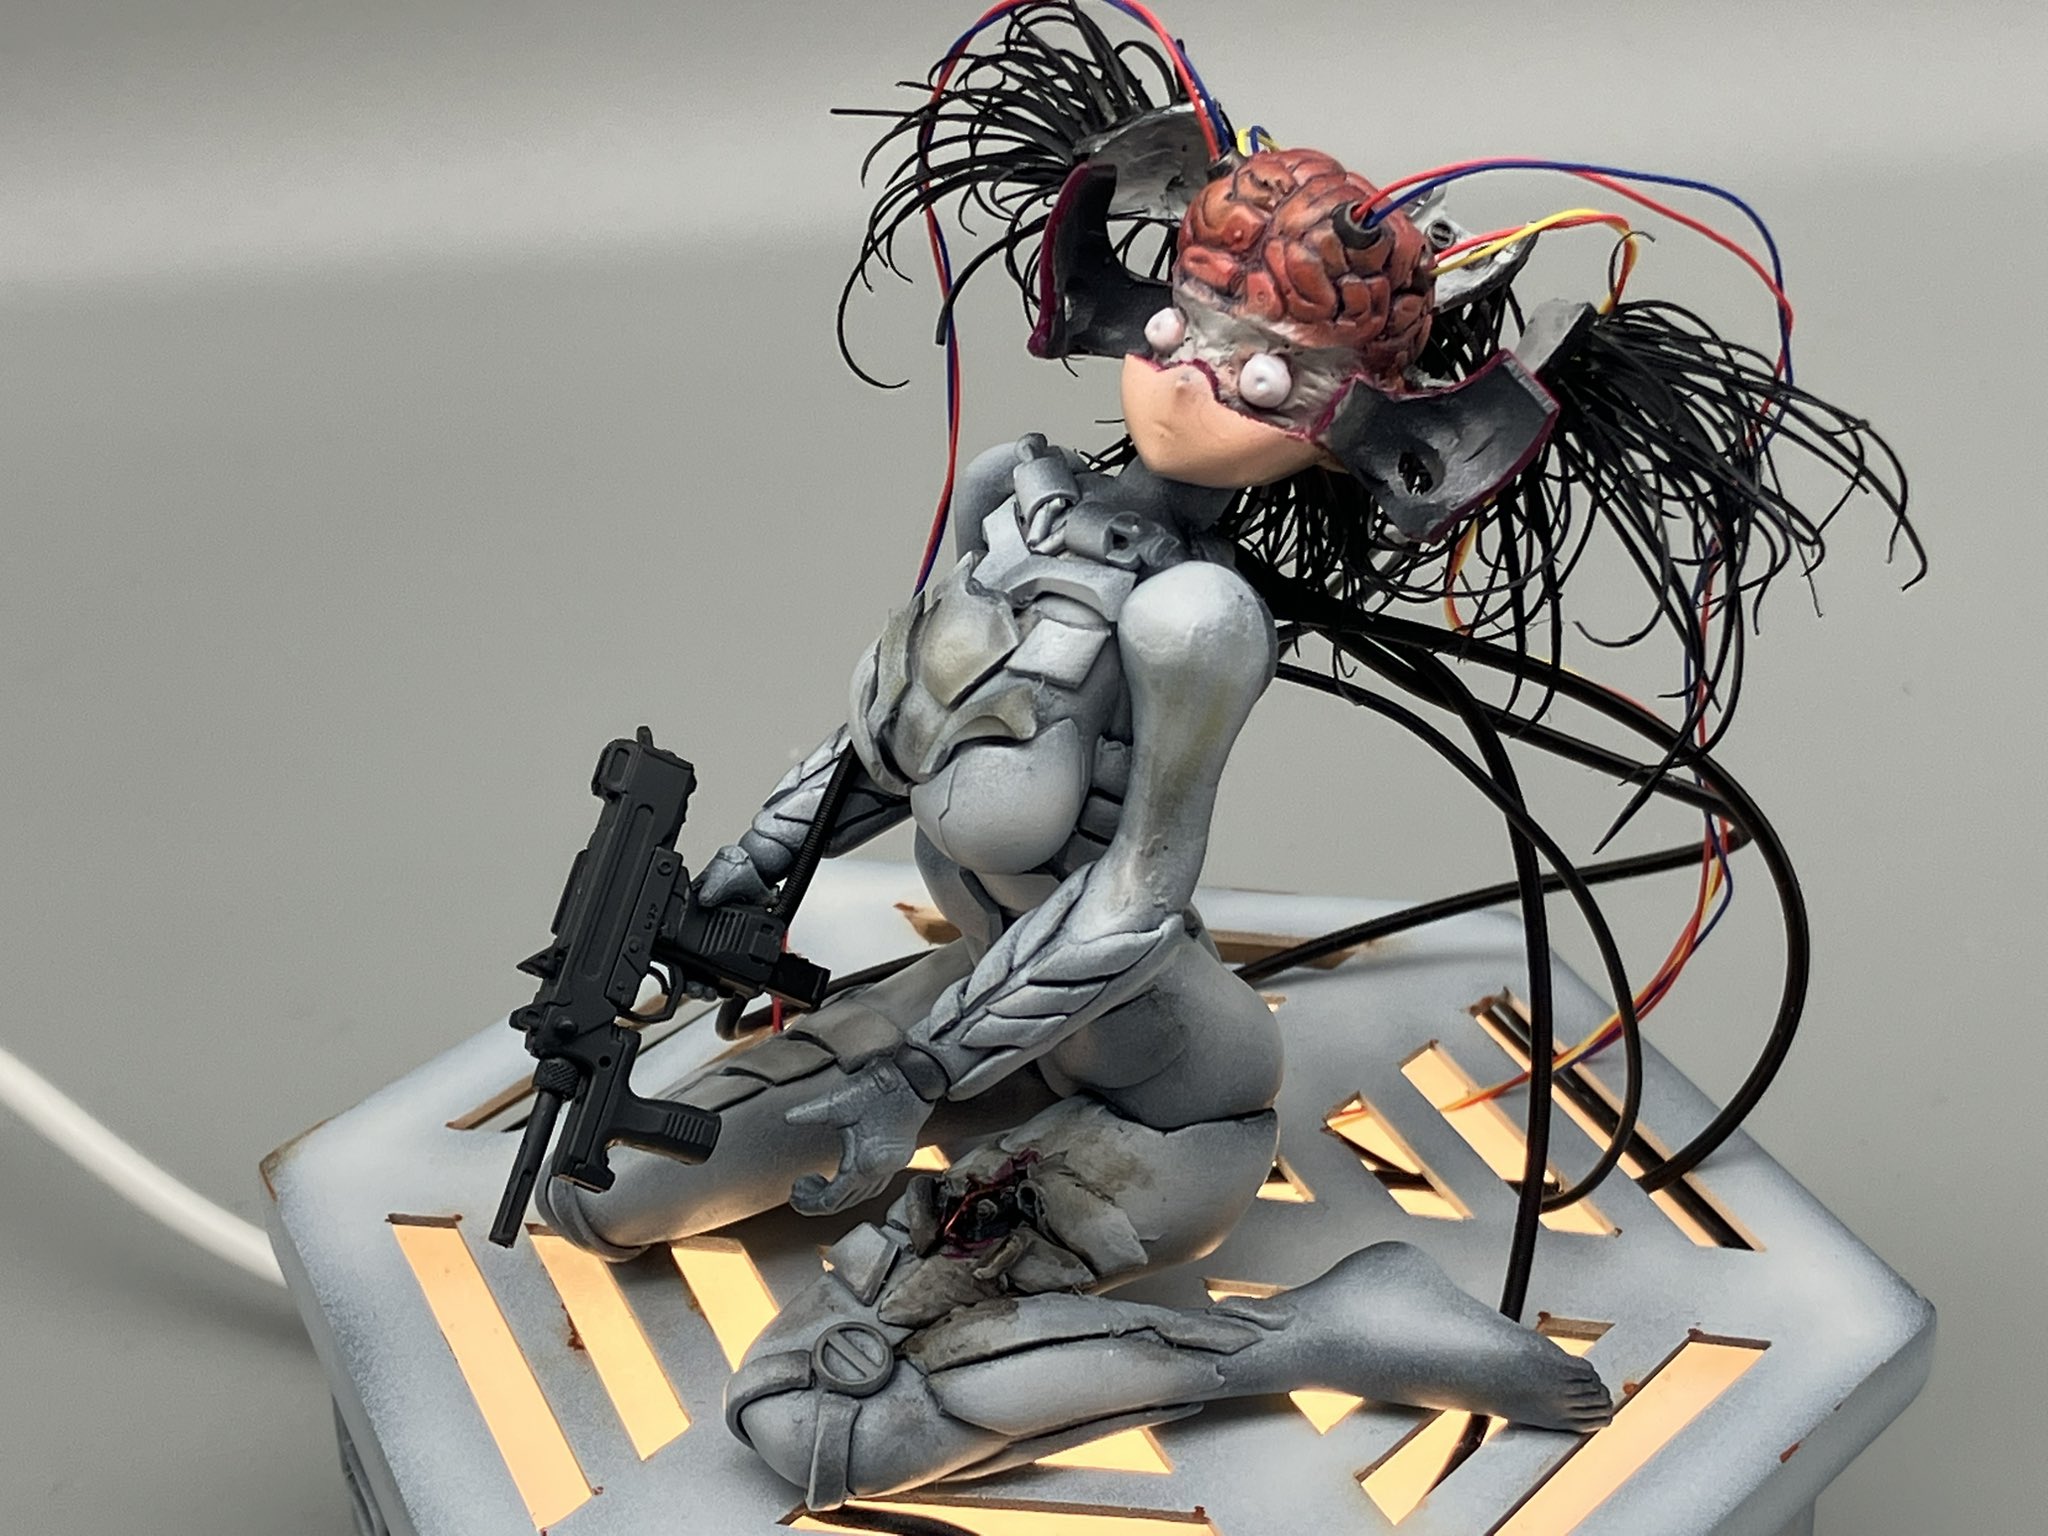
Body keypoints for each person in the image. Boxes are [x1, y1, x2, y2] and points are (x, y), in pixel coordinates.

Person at [538, 1, 1916, 1510]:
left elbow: (1135, 902)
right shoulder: (1015, 496)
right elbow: (888, 738)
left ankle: (1328, 1327)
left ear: (1364, 431)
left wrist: (921, 1080)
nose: (1193, 378)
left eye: (1267, 377)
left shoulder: (1195, 618)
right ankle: (946, 1097)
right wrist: (738, 888)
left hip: (1160, 1093)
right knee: (598, 1190)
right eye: (1183, 327)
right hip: (982, 995)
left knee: (817, 1426)